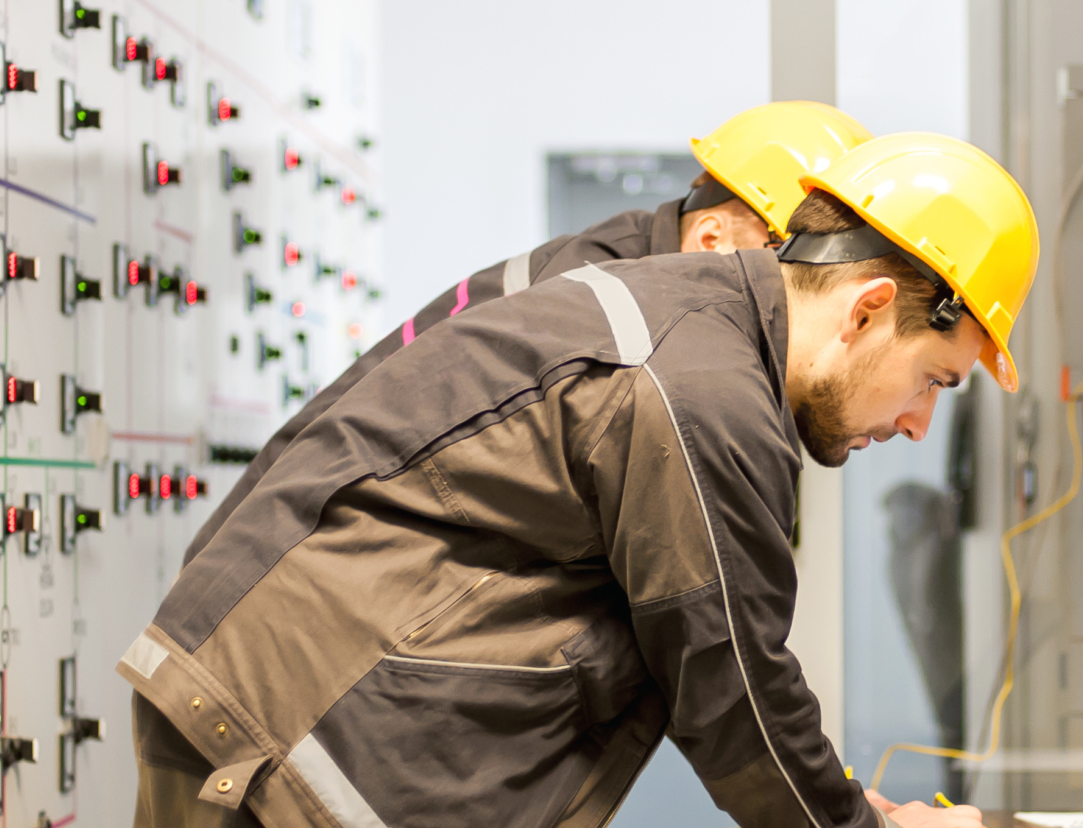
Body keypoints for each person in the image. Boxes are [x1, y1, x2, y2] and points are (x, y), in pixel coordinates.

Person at [118, 132, 1038, 828]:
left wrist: (852, 816)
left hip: (321, 755)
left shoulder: (689, 329)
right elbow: (732, 680)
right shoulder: (703, 391)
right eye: (936, 379)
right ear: (867, 308)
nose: (917, 425)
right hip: (301, 773)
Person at [185, 100, 874, 562]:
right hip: (285, 577)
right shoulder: (605, 319)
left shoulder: (634, 289)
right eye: (793, 268)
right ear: (715, 235)